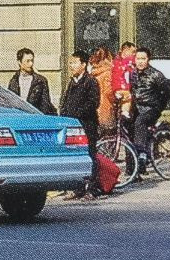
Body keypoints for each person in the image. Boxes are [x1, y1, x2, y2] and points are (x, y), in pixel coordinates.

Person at [58, 50, 102, 197]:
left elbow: (93, 103)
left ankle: (92, 188)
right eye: (71, 62)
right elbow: (65, 102)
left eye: (75, 62)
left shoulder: (91, 81)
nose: (72, 65)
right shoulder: (71, 82)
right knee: (74, 156)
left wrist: (77, 114)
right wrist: (63, 114)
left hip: (87, 124)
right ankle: (77, 188)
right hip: (71, 126)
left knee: (90, 156)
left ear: (83, 64)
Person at [127, 46, 170, 167]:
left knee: (140, 122)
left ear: (148, 60)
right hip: (136, 108)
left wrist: (158, 108)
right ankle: (132, 168)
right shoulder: (133, 74)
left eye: (143, 58)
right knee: (127, 128)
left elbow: (166, 93)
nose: (140, 61)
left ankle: (141, 152)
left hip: (151, 109)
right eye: (138, 58)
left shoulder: (156, 75)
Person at [8, 48, 56, 114]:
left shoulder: (41, 81)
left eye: (32, 60)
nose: (31, 64)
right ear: (19, 62)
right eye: (27, 61)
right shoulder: (14, 81)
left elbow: (45, 105)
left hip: (35, 118)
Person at [89, 46, 116, 130]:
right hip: (105, 109)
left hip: (94, 111)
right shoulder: (108, 73)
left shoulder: (92, 74)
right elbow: (109, 92)